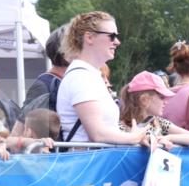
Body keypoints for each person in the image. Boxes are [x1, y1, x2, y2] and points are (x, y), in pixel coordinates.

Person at [56, 12, 147, 147]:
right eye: (112, 36)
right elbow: (98, 134)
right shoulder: (81, 77)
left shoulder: (89, 75)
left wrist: (133, 137)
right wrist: (135, 137)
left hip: (94, 162)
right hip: (88, 163)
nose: (117, 42)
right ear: (90, 37)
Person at [118, 71, 189, 148]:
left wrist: (168, 138)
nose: (166, 102)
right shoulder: (121, 128)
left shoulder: (158, 122)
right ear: (144, 99)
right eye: (162, 97)